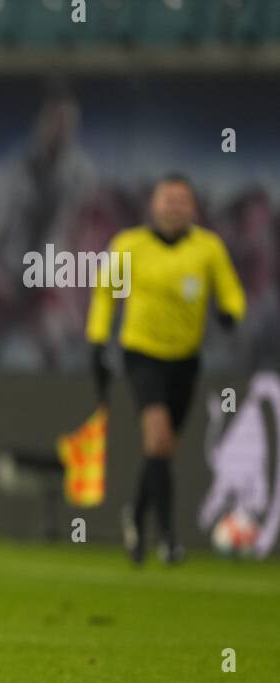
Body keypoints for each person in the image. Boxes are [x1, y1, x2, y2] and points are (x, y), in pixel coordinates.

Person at [86, 173, 246, 564]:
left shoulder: (208, 249)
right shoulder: (129, 246)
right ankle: (169, 537)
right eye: (167, 200)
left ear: (193, 208)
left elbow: (231, 291)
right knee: (157, 439)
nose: (173, 207)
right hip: (141, 354)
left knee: (163, 449)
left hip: (185, 360)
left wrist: (230, 313)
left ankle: (135, 517)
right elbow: (106, 295)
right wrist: (97, 340)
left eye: (181, 201)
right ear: (153, 205)